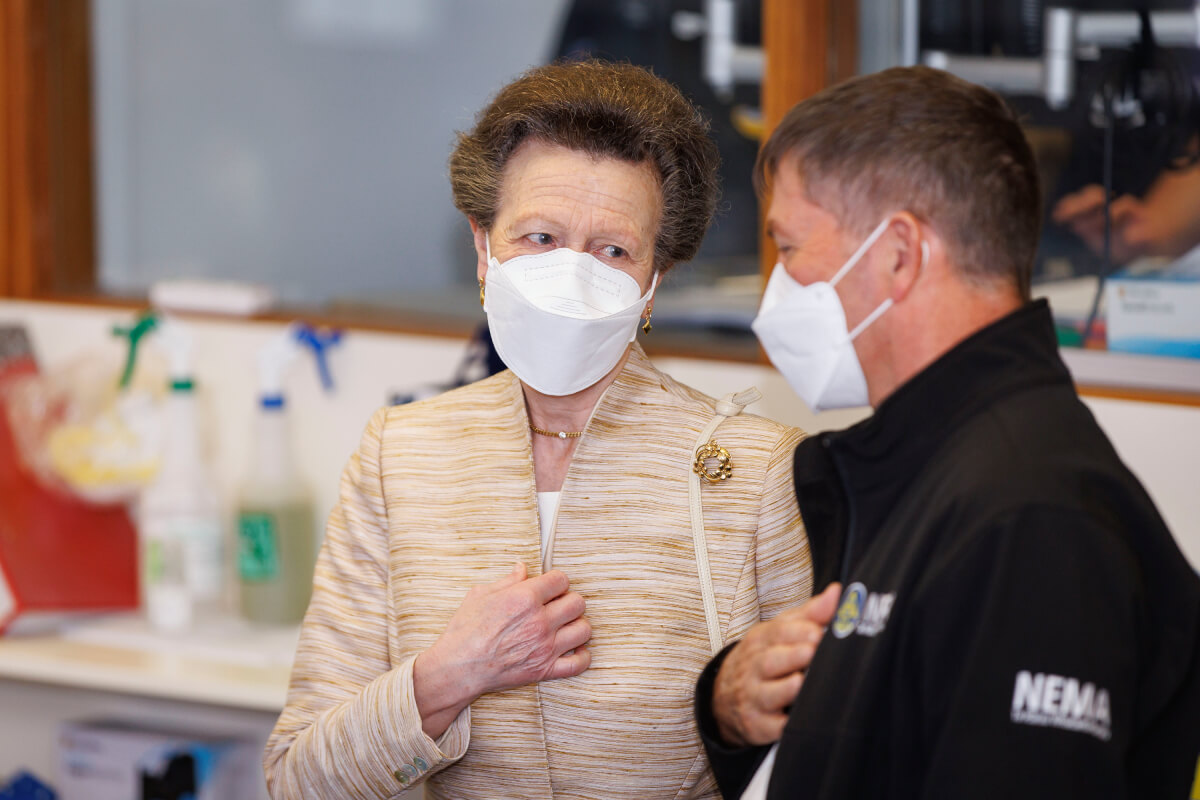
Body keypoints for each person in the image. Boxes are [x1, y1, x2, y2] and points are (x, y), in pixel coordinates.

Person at [263, 60, 812, 799]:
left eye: (613, 250)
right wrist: (448, 675)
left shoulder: (755, 470)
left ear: (654, 281)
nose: (572, 274)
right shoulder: (404, 454)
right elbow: (298, 779)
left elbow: (812, 759)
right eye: (540, 236)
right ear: (483, 247)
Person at [695, 65, 1200, 799]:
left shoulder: (1030, 517)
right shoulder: (922, 469)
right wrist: (730, 704)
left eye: (792, 246)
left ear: (898, 254)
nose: (779, 286)